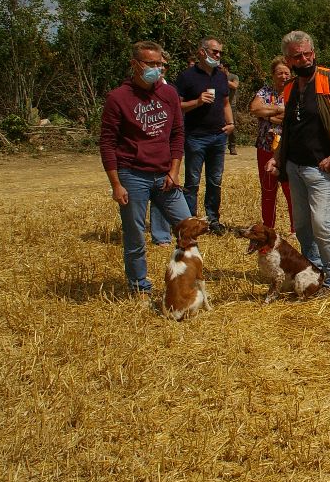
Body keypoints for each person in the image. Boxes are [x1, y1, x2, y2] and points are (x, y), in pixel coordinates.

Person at [265, 30, 330, 295]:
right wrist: (277, 159)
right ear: (288, 59)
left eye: (308, 53)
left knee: (322, 223)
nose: (305, 59)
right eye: (298, 56)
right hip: (294, 167)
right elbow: (288, 128)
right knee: (302, 225)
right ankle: (314, 272)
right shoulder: (289, 88)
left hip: (321, 168)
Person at [100, 40, 192, 299]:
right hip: (132, 174)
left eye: (159, 65)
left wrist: (174, 172)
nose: (156, 69)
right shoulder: (118, 98)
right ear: (135, 64)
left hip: (165, 174)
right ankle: (139, 286)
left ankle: (184, 278)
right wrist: (116, 184)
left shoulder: (169, 94)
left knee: (187, 227)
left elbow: (177, 134)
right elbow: (107, 143)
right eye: (150, 64)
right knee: (135, 236)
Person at [176, 36, 234, 235]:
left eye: (220, 53)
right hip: (195, 137)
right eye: (214, 51)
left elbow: (226, 103)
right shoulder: (186, 76)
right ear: (202, 52)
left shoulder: (221, 76)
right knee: (192, 182)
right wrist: (198, 102)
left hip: (218, 136)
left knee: (214, 180)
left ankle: (212, 220)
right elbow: (177, 106)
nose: (218, 55)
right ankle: (191, 222)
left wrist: (231, 124)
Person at [250, 56, 294, 235]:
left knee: (291, 190)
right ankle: (268, 228)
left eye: (286, 73)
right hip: (266, 147)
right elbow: (254, 109)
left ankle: (295, 229)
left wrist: (267, 112)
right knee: (268, 189)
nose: (283, 76)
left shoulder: (295, 91)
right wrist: (277, 111)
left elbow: (293, 116)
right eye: (280, 73)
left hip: (289, 148)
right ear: (272, 75)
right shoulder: (264, 91)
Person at [149, 49, 174, 246]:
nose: (160, 68)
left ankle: (161, 235)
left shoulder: (168, 91)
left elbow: (176, 127)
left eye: (164, 65)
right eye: (156, 64)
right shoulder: (132, 91)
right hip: (141, 155)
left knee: (162, 192)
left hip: (164, 152)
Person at [226, 67, 240, 155]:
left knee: (232, 125)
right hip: (219, 104)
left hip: (231, 105)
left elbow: (235, 85)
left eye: (220, 67)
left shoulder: (233, 76)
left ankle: (232, 146)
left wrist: (222, 80)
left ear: (225, 68)